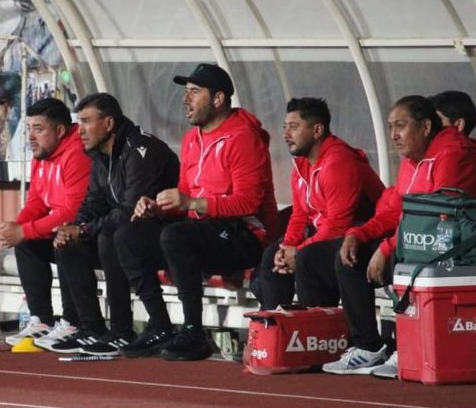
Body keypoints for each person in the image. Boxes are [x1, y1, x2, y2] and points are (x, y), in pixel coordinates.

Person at [323, 95, 476, 374]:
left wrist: (386, 248)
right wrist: (358, 233)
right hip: (420, 242)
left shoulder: (452, 155)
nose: (393, 135)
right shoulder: (412, 159)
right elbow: (395, 210)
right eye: (390, 127)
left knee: (399, 262)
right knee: (341, 257)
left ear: (425, 127)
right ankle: (365, 347)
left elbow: (435, 219)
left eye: (400, 126)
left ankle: (410, 348)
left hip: (455, 246)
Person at [121, 63, 279, 361]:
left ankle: (194, 331)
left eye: (194, 92)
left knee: (177, 236)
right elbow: (186, 195)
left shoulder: (243, 137)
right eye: (186, 93)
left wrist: (192, 204)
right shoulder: (192, 139)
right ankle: (161, 326)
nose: (186, 99)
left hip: (245, 236)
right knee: (128, 235)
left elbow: (248, 204)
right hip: (199, 233)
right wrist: (158, 207)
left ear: (218, 99)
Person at [50, 93, 179, 356]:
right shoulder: (102, 155)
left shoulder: (140, 149)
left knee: (110, 236)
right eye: (79, 122)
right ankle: (93, 328)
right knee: (68, 243)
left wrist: (85, 229)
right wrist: (74, 227)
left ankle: (123, 330)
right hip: (131, 236)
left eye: (86, 122)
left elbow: (132, 210)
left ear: (108, 124)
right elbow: (94, 202)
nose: (80, 131)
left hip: (166, 236)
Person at [253, 98, 385, 310]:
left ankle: (316, 333)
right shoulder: (302, 163)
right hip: (328, 234)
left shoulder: (337, 163)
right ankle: (277, 329)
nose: (286, 135)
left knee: (307, 258)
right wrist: (288, 246)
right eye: (285, 127)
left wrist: (299, 251)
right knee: (273, 256)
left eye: (294, 127)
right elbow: (299, 214)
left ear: (317, 130)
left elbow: (338, 225)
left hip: (362, 238)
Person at [0, 98, 91, 349]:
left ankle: (73, 321)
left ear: (60, 131)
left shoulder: (77, 154)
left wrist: (24, 230)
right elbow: (37, 202)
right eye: (29, 129)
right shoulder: (43, 154)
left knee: (62, 240)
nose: (31, 136)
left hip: (88, 234)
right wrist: (16, 228)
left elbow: (73, 211)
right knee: (26, 243)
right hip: (66, 232)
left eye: (38, 129)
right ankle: (42, 320)